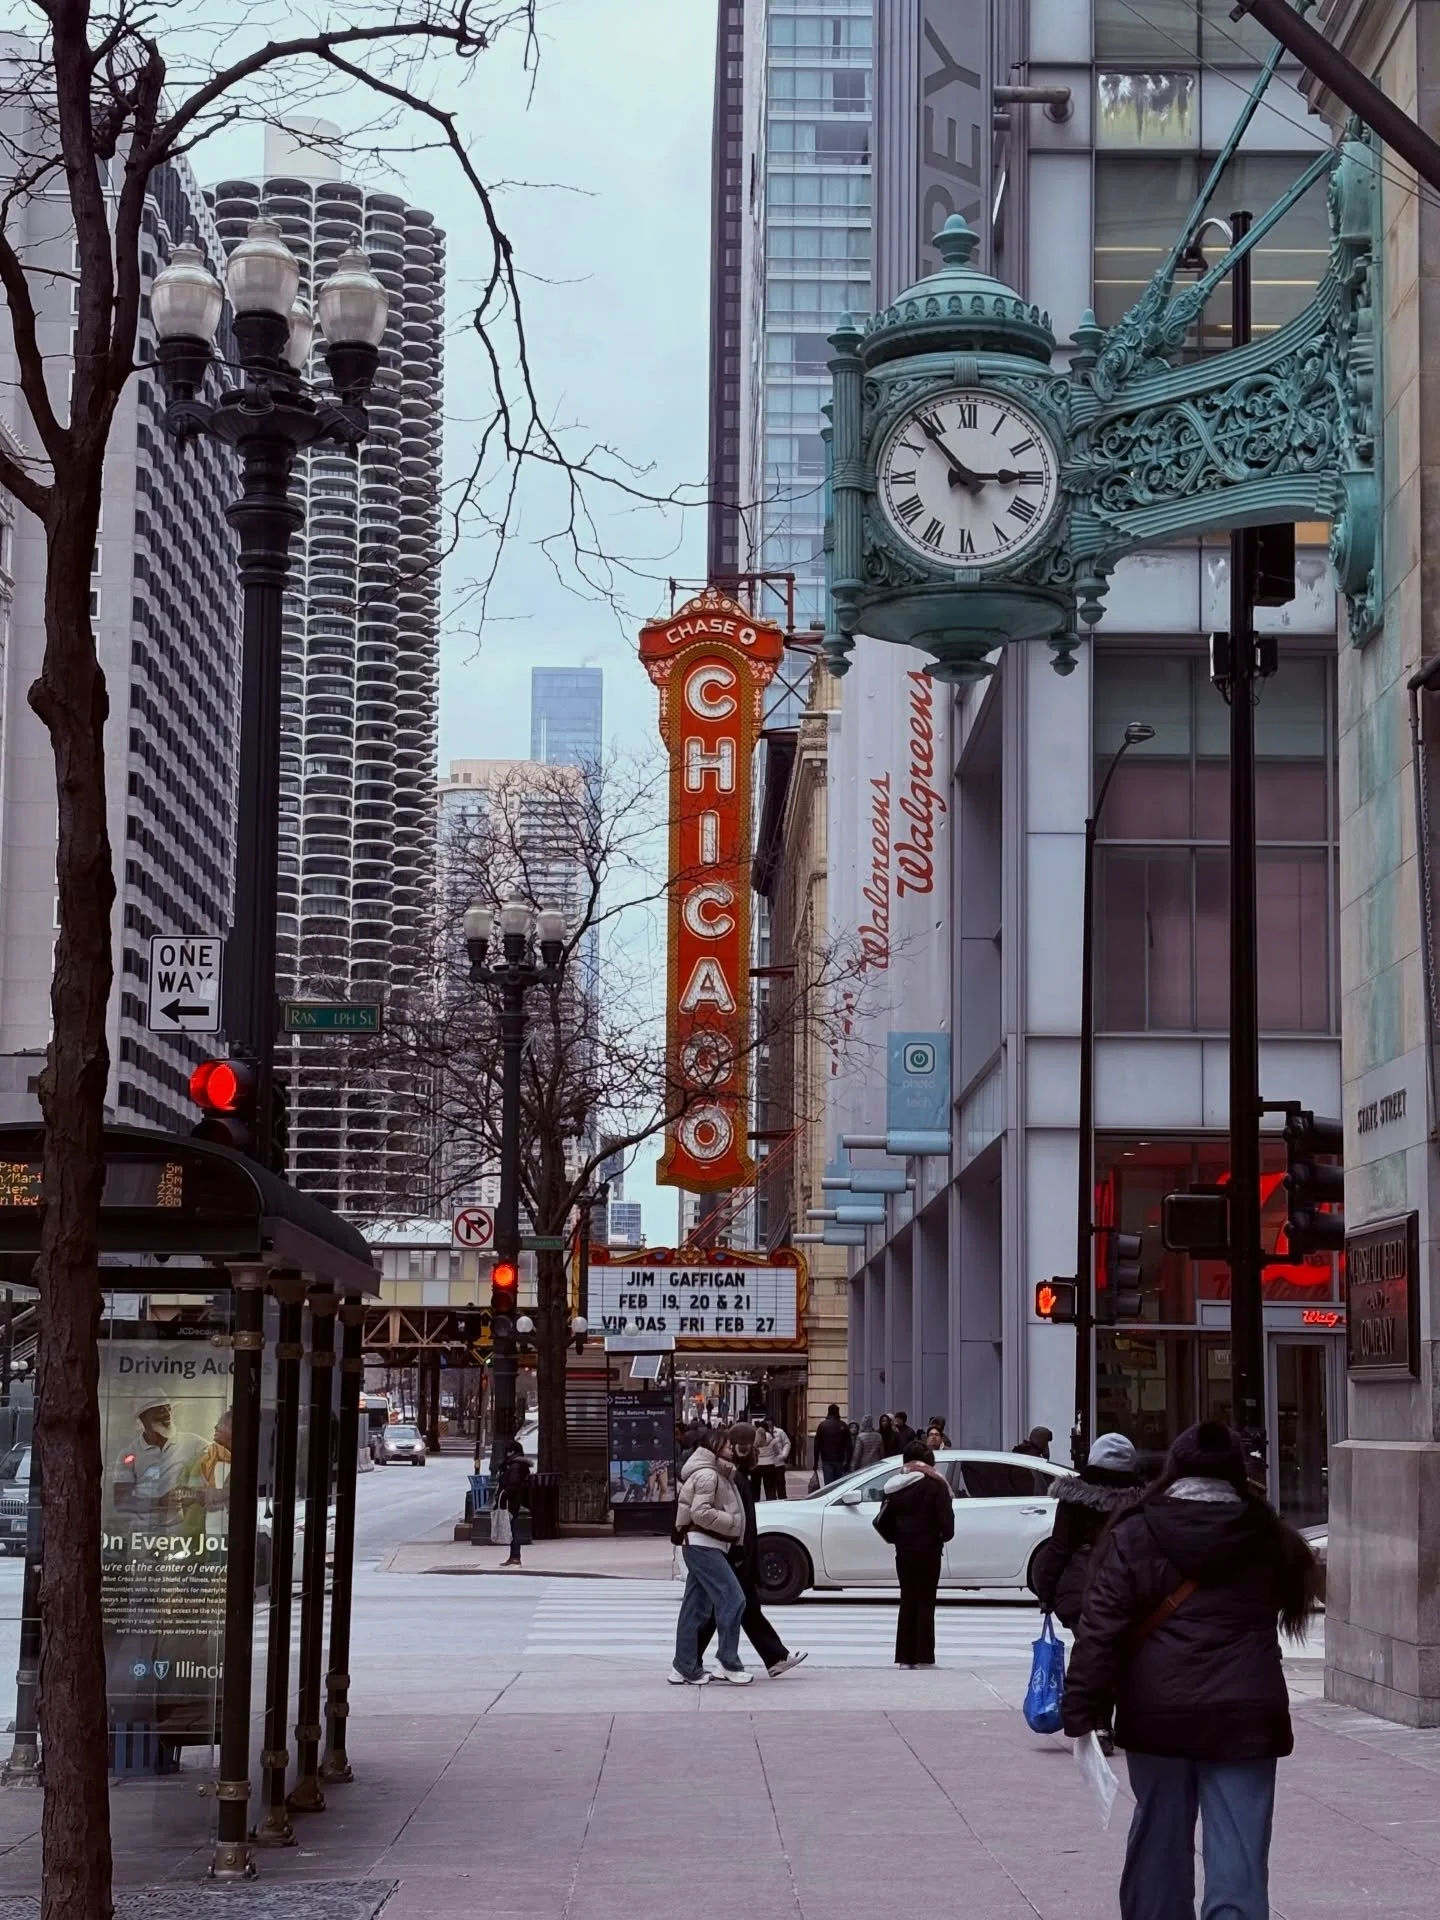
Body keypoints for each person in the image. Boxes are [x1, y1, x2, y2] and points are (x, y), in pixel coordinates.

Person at [1064, 1421, 1317, 1920]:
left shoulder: (1135, 1531)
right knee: (1240, 1861)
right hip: (1247, 1714)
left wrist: (1083, 1706)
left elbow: (1102, 1627)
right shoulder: (1269, 1536)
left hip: (1159, 1710)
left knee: (1158, 1845)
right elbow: (1291, 1603)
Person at [694, 1423, 807, 1679]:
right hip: (733, 1552)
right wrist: (738, 1548)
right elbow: (728, 1515)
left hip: (737, 1550)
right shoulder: (731, 1475)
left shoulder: (739, 1473)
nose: (753, 1450)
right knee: (735, 1606)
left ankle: (691, 1660)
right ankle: (695, 1661)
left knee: (730, 1607)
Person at [1029, 1433, 1144, 1630]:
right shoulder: (1142, 1500)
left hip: (1081, 1589)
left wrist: (1047, 1593)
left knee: (1089, 1649)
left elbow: (1060, 1547)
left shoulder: (1074, 1497)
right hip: (1129, 1591)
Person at [670, 1426, 753, 1685]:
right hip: (703, 1545)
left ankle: (684, 1667)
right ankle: (728, 1662)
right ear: (715, 1447)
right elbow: (701, 1512)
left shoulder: (716, 1472)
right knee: (734, 1599)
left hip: (701, 1545)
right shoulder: (708, 1475)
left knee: (695, 1608)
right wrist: (731, 1522)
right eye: (727, 1445)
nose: (732, 1449)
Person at [874, 1441, 954, 1667]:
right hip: (929, 1550)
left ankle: (904, 1657)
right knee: (926, 1601)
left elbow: (884, 1520)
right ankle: (923, 1656)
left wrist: (898, 1538)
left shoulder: (894, 1486)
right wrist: (939, 1536)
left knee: (907, 1599)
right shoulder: (937, 1486)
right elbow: (947, 1528)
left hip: (904, 1551)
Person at [494, 1438, 531, 1568]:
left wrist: (504, 1494)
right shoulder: (518, 1465)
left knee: (513, 1529)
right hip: (515, 1500)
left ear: (512, 1452)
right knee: (512, 1528)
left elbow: (513, 1484)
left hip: (511, 1502)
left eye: (508, 1452)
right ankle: (513, 1556)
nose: (506, 1454)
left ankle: (515, 1557)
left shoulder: (514, 1466)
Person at [812, 1403, 852, 1485]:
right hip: (839, 1459)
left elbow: (817, 1445)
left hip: (826, 1459)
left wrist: (815, 1462)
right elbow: (849, 1445)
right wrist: (848, 1461)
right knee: (839, 1484)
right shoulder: (843, 1425)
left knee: (829, 1484)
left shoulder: (822, 1425)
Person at [757, 1419, 791, 1499]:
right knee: (770, 1485)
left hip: (778, 1463)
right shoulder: (761, 1436)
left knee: (780, 1484)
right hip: (770, 1463)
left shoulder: (780, 1432)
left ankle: (780, 1499)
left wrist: (784, 1455)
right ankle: (772, 1500)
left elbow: (787, 1443)